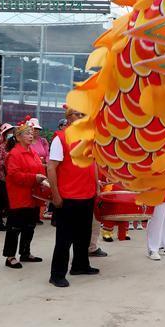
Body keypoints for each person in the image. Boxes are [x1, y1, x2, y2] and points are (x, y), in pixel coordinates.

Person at [47, 107, 99, 288]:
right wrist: (55, 194)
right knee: (64, 238)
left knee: (84, 235)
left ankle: (80, 265)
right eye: (78, 114)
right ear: (68, 118)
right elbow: (51, 167)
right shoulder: (60, 138)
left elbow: (94, 164)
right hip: (68, 196)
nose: (81, 117)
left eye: (84, 114)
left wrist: (97, 185)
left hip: (87, 194)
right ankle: (57, 274)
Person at [3, 122, 48, 269]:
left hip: (33, 196)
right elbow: (14, 175)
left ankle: (25, 253)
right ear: (18, 137)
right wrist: (34, 178)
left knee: (29, 226)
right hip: (19, 196)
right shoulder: (14, 154)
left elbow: (40, 168)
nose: (31, 135)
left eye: (31, 133)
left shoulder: (32, 152)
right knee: (15, 227)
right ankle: (10, 257)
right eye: (27, 133)